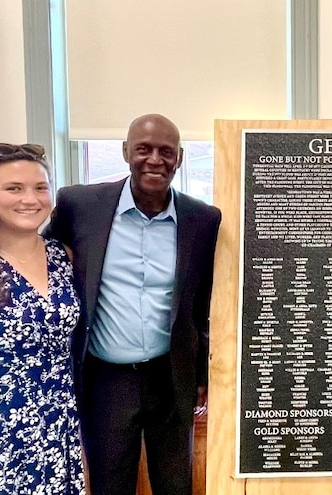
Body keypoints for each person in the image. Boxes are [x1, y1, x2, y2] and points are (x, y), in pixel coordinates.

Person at [46, 114, 221, 495]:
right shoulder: (80, 204)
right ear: (126, 152)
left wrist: (203, 375)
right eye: (143, 149)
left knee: (176, 485)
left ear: (180, 158)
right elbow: (39, 255)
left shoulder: (203, 219)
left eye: (166, 151)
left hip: (171, 376)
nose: (155, 160)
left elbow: (203, 305)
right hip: (106, 378)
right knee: (111, 484)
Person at [0, 144, 84, 494]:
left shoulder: (64, 258)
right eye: (14, 188)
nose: (30, 198)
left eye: (40, 187)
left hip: (57, 439)